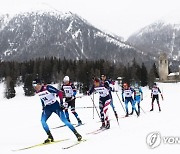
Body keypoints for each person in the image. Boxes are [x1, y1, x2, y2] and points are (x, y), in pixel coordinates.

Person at [32, 79, 82, 143]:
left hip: (56, 106)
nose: (35, 87)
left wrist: (61, 103)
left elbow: (59, 92)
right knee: (42, 121)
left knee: (65, 121)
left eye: (35, 85)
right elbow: (42, 98)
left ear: (40, 84)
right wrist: (43, 105)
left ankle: (77, 134)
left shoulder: (47, 88)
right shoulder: (37, 91)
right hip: (47, 108)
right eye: (33, 85)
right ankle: (50, 137)